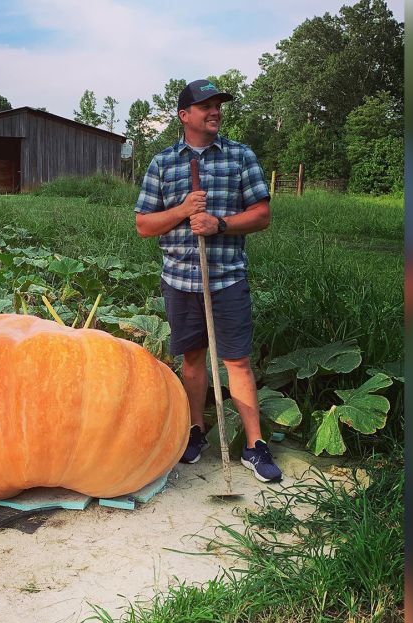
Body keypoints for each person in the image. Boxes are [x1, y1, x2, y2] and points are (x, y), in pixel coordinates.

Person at [133, 79, 282, 482]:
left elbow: (261, 215)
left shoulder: (239, 157)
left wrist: (219, 224)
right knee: (194, 361)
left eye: (218, 106)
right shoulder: (163, 163)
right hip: (181, 279)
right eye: (205, 106)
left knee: (237, 361)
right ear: (184, 115)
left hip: (226, 278)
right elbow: (145, 225)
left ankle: (254, 445)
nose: (214, 111)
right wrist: (182, 210)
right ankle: (196, 431)